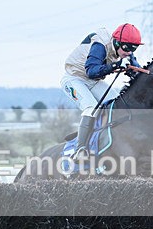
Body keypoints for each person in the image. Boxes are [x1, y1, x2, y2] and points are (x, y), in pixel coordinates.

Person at [61, 23, 143, 159]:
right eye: (127, 47)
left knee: (118, 105)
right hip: (74, 79)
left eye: (134, 48)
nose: (129, 52)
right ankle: (80, 150)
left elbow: (136, 69)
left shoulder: (125, 50)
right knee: (91, 107)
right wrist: (115, 65)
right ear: (117, 43)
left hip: (93, 82)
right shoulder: (100, 45)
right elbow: (92, 71)